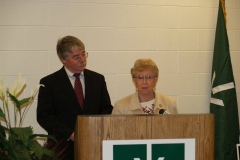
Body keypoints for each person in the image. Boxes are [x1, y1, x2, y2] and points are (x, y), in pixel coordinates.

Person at [37, 35, 113, 159]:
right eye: (76, 57)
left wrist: (99, 131)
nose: (82, 59)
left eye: (84, 54)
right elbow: (44, 116)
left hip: (94, 145)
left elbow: (106, 109)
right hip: (62, 148)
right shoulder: (49, 83)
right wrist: (70, 134)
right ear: (63, 59)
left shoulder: (97, 79)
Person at [112, 59, 178, 114]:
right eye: (140, 77)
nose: (144, 82)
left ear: (155, 80)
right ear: (134, 81)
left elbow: (177, 129)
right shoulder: (120, 107)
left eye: (148, 77)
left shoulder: (170, 104)